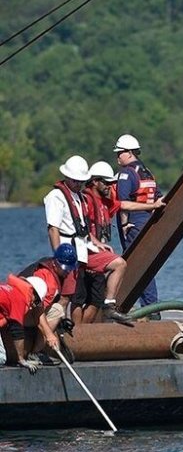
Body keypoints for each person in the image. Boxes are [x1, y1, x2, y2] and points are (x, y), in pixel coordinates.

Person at [44, 156, 133, 325]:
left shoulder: (79, 197)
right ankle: (49, 332)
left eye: (81, 181)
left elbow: (83, 228)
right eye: (75, 180)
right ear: (67, 177)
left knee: (119, 263)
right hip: (68, 250)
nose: (79, 184)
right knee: (67, 297)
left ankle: (108, 307)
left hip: (84, 247)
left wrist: (97, 244)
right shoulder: (56, 196)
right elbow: (53, 228)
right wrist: (58, 255)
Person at [85, 161, 166, 320]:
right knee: (119, 264)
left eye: (112, 182)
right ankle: (107, 307)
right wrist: (96, 242)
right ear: (95, 181)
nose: (110, 186)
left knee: (95, 297)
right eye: (106, 182)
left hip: (97, 253)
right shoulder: (86, 201)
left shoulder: (105, 202)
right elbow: (81, 226)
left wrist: (153, 205)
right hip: (86, 253)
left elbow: (124, 204)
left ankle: (104, 315)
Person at [114, 134, 163, 313]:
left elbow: (123, 203)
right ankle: (150, 307)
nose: (118, 156)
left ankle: (148, 309)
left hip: (134, 224)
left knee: (135, 265)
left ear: (129, 152)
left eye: (119, 153)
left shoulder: (127, 174)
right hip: (148, 222)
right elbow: (158, 196)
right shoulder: (146, 171)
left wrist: (125, 224)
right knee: (146, 266)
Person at [15, 244, 78, 361]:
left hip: (22, 311)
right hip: (20, 315)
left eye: (70, 269)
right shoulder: (48, 280)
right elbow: (38, 311)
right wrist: (49, 334)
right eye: (65, 269)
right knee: (57, 310)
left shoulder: (48, 267)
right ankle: (36, 352)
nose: (67, 272)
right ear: (55, 263)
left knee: (56, 309)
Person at [0, 275, 51, 372]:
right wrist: (21, 360)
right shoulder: (19, 299)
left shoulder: (9, 290)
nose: (33, 306)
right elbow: (17, 331)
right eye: (36, 302)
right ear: (33, 294)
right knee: (1, 359)